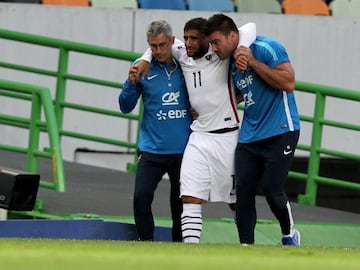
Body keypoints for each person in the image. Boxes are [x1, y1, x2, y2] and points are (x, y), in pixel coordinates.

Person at [137, 18, 256, 243]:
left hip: (228, 136)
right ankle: (190, 251)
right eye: (186, 37)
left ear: (207, 40)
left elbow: (250, 27)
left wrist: (242, 49)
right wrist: (145, 58)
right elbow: (163, 43)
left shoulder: (220, 55)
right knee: (190, 196)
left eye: (193, 38)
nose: (188, 43)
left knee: (236, 200)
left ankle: (247, 246)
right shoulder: (182, 53)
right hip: (199, 137)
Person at [204, 13, 301, 246]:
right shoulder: (229, 63)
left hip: (281, 130)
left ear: (233, 36)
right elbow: (237, 94)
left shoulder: (267, 47)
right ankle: (246, 247)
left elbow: (288, 83)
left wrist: (254, 63)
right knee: (242, 193)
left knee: (272, 189)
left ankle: (289, 234)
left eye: (217, 42)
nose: (214, 48)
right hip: (249, 136)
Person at [118, 20, 192, 242]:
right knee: (141, 197)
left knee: (180, 203)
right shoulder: (141, 66)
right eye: (153, 46)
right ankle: (146, 244)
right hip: (152, 148)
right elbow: (125, 106)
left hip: (184, 149)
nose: (158, 51)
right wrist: (131, 84)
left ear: (171, 41)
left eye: (162, 45)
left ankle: (180, 248)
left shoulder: (188, 64)